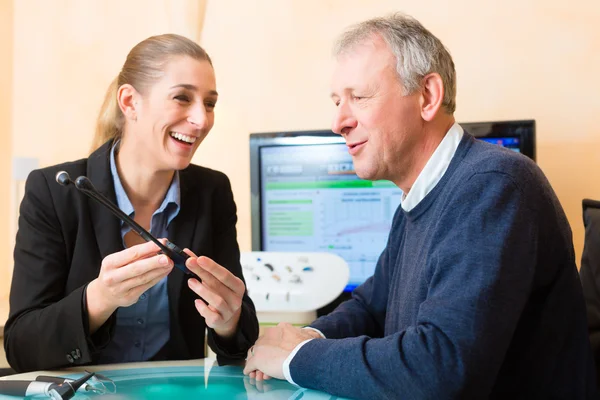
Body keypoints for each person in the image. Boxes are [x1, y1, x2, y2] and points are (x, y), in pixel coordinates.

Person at [244, 13, 597, 398]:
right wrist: (308, 334)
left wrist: (298, 357)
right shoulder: (421, 196)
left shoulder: (493, 186)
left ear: (427, 96)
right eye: (336, 101)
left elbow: (440, 367)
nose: (338, 121)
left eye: (359, 97)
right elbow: (371, 307)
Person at [5, 34, 259, 373]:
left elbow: (238, 342)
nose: (202, 119)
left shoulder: (212, 191)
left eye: (210, 103)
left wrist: (229, 319)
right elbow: (21, 347)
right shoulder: (54, 192)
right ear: (130, 102)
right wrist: (100, 298)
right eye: (182, 98)